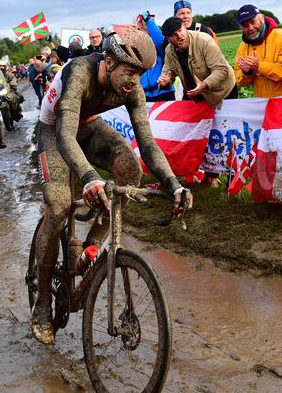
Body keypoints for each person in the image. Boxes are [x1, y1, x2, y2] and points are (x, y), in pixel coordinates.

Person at [32, 26, 193, 344]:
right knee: (60, 207)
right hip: (56, 131)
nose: (134, 81)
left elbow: (147, 144)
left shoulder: (133, 89)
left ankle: (90, 248)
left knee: (130, 171)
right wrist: (90, 178)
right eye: (130, 71)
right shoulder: (80, 71)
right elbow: (65, 135)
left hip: (89, 126)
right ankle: (42, 305)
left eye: (141, 73)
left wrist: (173, 184)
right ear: (108, 60)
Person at [234, 4, 282, 98]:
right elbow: (239, 82)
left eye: (253, 22)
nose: (250, 28)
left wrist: (259, 66)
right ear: (240, 27)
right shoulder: (242, 48)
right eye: (245, 25)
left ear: (262, 18)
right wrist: (247, 73)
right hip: (266, 103)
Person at [158, 16, 236, 105]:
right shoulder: (169, 51)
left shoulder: (204, 40)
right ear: (168, 39)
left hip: (223, 92)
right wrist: (165, 82)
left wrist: (205, 84)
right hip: (196, 94)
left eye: (180, 30)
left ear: (184, 27)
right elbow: (167, 72)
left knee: (225, 118)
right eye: (173, 35)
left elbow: (221, 69)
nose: (179, 36)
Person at [137, 11, 175, 101]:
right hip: (144, 95)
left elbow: (161, 42)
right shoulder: (136, 45)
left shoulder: (160, 44)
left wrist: (148, 21)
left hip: (164, 92)